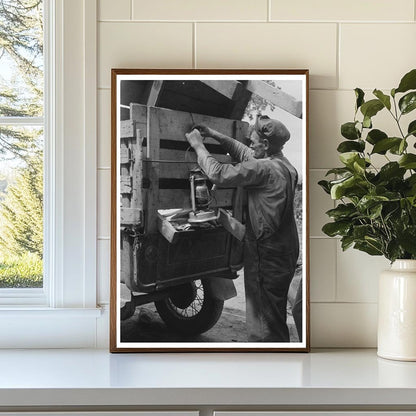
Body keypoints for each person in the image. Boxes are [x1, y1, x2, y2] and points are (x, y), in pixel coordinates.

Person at [185, 115, 300, 342]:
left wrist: (198, 145)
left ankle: (267, 364)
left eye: (254, 141)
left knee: (263, 319)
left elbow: (218, 173)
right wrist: (214, 134)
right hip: (285, 249)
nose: (250, 145)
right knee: (274, 311)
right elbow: (244, 152)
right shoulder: (286, 166)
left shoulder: (263, 169)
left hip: (266, 252)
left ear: (266, 145)